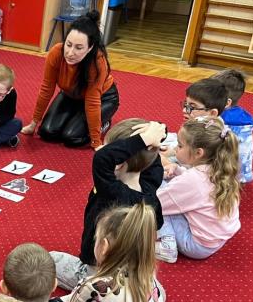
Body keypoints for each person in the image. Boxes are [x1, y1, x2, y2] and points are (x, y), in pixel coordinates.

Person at [50, 119, 166, 289]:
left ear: (118, 163)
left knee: (50, 259)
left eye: (108, 147)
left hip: (99, 270)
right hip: (134, 270)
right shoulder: (150, 186)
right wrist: (154, 137)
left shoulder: (112, 193)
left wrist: (145, 139)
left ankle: (98, 286)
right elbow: (150, 158)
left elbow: (102, 159)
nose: (103, 150)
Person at [21, 11, 119, 149]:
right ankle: (76, 115)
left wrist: (96, 142)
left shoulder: (97, 63)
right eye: (68, 44)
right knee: (47, 132)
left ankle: (105, 122)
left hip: (103, 98)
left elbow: (92, 101)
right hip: (71, 95)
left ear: (90, 48)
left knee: (72, 138)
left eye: (79, 48)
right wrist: (33, 123)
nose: (70, 53)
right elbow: (46, 89)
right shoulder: (56, 53)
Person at [156, 116, 240, 263]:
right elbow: (196, 186)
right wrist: (177, 169)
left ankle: (166, 245)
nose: (175, 149)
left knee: (155, 188)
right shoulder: (220, 168)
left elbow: (155, 203)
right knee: (169, 185)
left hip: (196, 246)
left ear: (198, 153)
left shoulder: (193, 180)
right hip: (217, 239)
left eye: (180, 145)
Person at [212, 68, 253, 184]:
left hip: (223, 175)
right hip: (243, 173)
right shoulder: (245, 116)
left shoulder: (220, 118)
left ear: (227, 102)